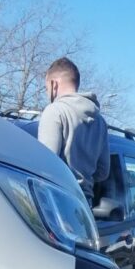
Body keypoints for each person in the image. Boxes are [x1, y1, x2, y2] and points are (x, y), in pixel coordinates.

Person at [37, 57, 110, 204]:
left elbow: (45, 164)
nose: (47, 93)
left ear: (54, 84)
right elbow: (103, 171)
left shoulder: (55, 111)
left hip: (59, 202)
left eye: (46, 89)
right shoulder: (100, 121)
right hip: (84, 205)